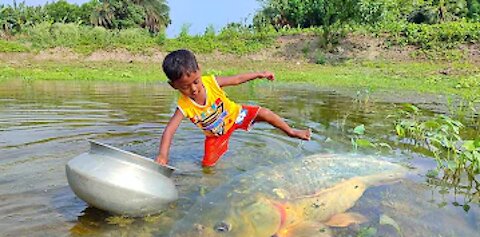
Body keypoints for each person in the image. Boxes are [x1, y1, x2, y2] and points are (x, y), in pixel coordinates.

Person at [155, 49, 311, 167]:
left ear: (199, 71)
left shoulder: (211, 82)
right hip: (216, 135)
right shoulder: (184, 106)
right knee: (207, 167)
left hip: (236, 115)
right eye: (185, 87)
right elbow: (169, 131)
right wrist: (163, 156)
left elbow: (236, 79)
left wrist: (259, 74)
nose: (194, 89)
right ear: (173, 86)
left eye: (196, 81)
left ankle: (291, 131)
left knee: (263, 112)